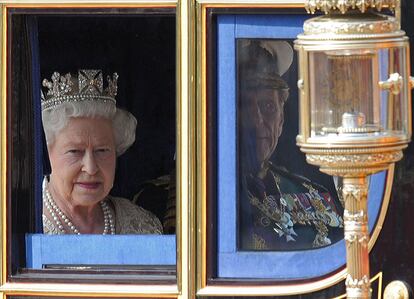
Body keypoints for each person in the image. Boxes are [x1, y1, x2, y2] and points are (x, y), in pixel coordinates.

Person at [238, 40, 343, 251]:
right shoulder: (194, 190)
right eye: (245, 106)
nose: (258, 121)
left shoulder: (313, 196)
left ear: (282, 119)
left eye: (268, 107)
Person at [41, 69, 163, 235]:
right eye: (74, 151)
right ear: (47, 153)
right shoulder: (16, 227)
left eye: (102, 150)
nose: (91, 168)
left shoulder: (142, 225)